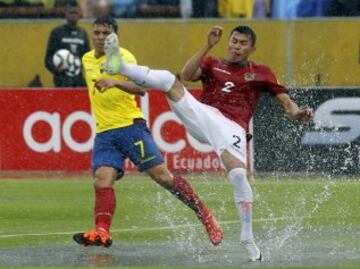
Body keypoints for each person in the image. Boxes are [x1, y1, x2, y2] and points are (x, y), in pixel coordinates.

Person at [101, 25, 314, 261]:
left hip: (232, 127)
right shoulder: (213, 63)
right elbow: (187, 74)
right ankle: (120, 67)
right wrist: (208, 44)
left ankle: (248, 239)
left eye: (243, 43)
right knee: (169, 80)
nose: (236, 46)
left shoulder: (262, 72)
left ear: (252, 49)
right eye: (234, 41)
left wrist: (297, 114)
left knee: (238, 175)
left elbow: (286, 103)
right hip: (203, 115)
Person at [72, 16, 223, 248]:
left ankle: (204, 213)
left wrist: (115, 82)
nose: (101, 37)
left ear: (115, 36)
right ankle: (102, 231)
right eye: (97, 33)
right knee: (102, 180)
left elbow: (141, 90)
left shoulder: (125, 58)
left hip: (130, 127)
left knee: (163, 177)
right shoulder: (87, 58)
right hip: (105, 132)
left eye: (106, 33)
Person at [44, 2, 90, 87]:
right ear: (66, 13)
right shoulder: (57, 32)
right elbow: (48, 60)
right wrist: (58, 68)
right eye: (71, 13)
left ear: (79, 14)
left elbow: (88, 57)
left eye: (76, 13)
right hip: (61, 81)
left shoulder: (83, 34)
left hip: (79, 81)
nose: (73, 15)